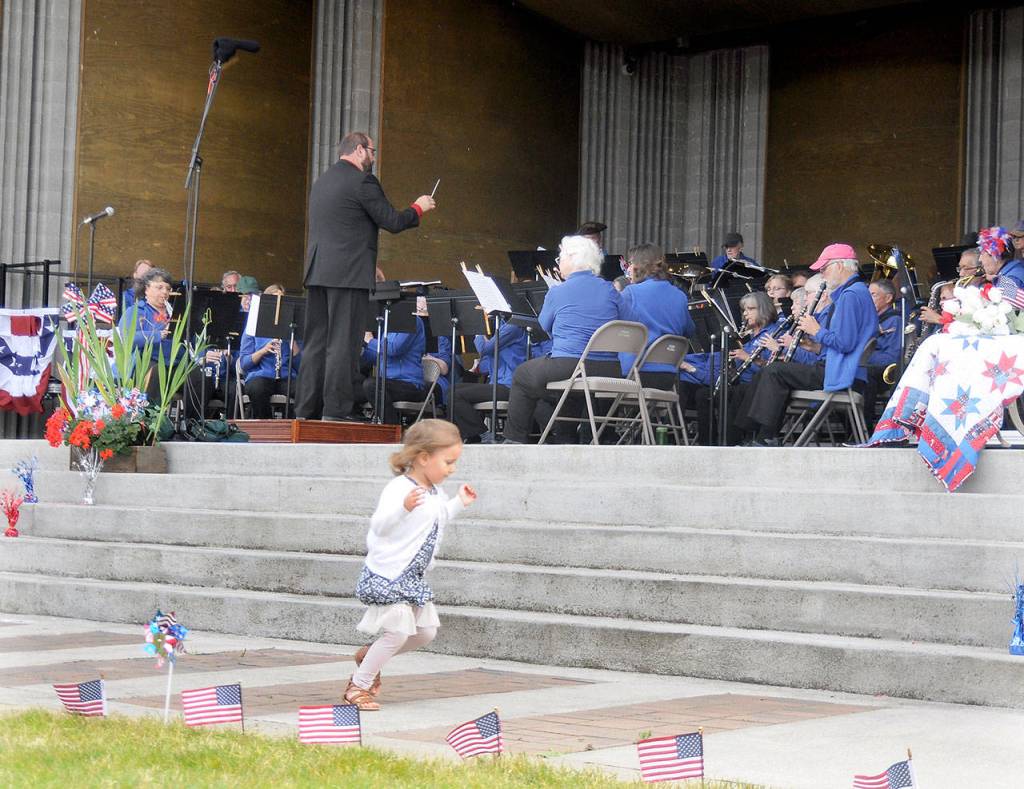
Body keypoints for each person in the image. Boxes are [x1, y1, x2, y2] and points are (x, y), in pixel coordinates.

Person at [296, 131, 435, 422]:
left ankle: (306, 412)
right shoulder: (363, 181)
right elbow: (392, 221)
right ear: (359, 150)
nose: (373, 157)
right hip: (348, 276)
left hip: (319, 272)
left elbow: (341, 226)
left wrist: (364, 260)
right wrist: (418, 208)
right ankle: (336, 411)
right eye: (372, 151)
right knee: (343, 344)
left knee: (316, 344)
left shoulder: (322, 182)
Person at [347, 419, 477, 711]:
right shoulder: (399, 488)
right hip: (388, 574)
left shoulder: (434, 492)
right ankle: (359, 685)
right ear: (423, 458)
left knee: (426, 632)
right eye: (448, 462)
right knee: (398, 633)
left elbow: (438, 518)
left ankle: (369, 655)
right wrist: (402, 509)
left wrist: (458, 503)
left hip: (411, 577)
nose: (452, 469)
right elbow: (379, 526)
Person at [740, 243, 877, 447]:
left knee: (774, 371)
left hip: (840, 373)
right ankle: (762, 434)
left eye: (824, 268)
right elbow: (846, 343)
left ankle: (764, 436)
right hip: (847, 370)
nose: (822, 274)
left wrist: (816, 331)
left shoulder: (850, 296)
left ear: (840, 265)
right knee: (774, 371)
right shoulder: (858, 291)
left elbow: (845, 344)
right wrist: (813, 347)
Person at [503, 235, 623, 443]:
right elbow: (627, 322)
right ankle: (565, 438)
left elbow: (544, 326)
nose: (558, 263)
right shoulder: (610, 290)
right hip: (609, 366)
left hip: (571, 362)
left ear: (573, 258)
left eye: (560, 258)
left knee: (523, 375)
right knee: (568, 386)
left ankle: (514, 441)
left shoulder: (558, 291)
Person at [619, 243, 694, 389]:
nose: (628, 268)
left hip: (634, 373)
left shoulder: (630, 293)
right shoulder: (680, 296)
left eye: (630, 263)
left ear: (639, 266)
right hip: (668, 375)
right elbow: (689, 331)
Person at [451, 321, 527, 442]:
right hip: (496, 383)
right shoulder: (500, 326)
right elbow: (487, 363)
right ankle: (473, 436)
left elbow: (485, 348)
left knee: (455, 395)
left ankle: (482, 434)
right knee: (452, 390)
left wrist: (478, 329)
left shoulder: (513, 326)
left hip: (509, 385)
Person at [239, 284, 301, 419]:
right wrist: (263, 351)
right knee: (257, 389)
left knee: (305, 390)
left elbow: (301, 367)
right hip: (260, 376)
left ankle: (295, 430)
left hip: (286, 377)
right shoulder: (253, 326)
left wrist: (292, 340)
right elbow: (244, 363)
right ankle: (266, 428)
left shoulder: (293, 327)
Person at [361, 316, 427, 425]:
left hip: (409, 383)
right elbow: (380, 356)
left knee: (372, 385)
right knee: (350, 385)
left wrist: (370, 340)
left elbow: (394, 349)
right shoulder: (390, 322)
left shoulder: (412, 320)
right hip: (389, 383)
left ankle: (391, 431)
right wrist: (361, 351)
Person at [978, 226, 1024, 290]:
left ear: (994, 254)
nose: (980, 259)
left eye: (982, 253)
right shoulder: (1010, 274)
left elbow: (1013, 297)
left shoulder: (1012, 277)